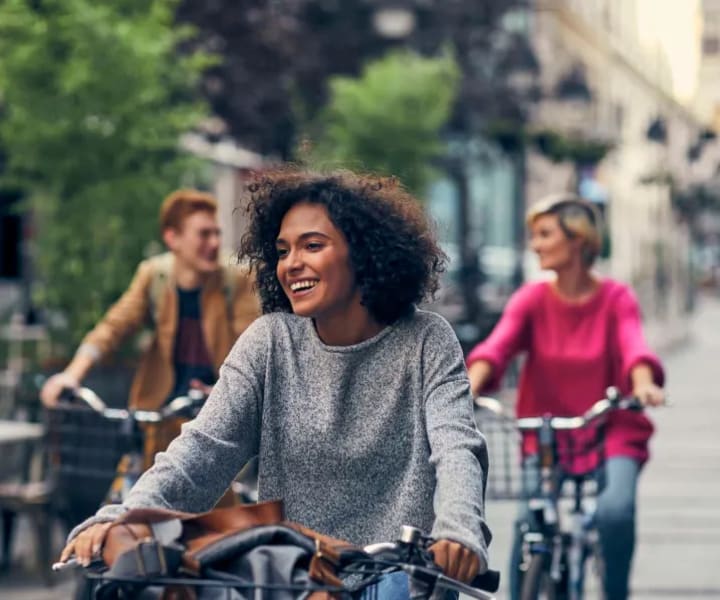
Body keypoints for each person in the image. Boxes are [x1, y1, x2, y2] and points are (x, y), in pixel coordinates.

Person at [58, 169, 492, 598]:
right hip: (297, 578)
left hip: (400, 577)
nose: (291, 264)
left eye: (312, 245)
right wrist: (119, 516)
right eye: (283, 251)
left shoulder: (426, 340)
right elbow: (201, 452)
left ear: (363, 253)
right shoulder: (270, 341)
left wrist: (457, 530)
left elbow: (456, 447)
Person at [466, 193, 665, 600]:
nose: (535, 245)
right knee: (528, 523)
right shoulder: (531, 299)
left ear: (577, 240)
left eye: (544, 234)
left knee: (614, 512)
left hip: (610, 427)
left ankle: (615, 591)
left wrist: (643, 383)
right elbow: (496, 348)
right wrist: (468, 387)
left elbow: (634, 347)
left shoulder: (615, 298)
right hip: (547, 435)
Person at [40, 189, 260, 509]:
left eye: (216, 233)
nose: (214, 243)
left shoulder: (233, 279)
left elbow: (250, 341)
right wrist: (71, 375)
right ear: (173, 238)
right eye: (203, 234)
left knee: (213, 513)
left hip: (212, 409)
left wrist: (229, 391)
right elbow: (113, 327)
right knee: (137, 506)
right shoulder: (154, 276)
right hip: (158, 411)